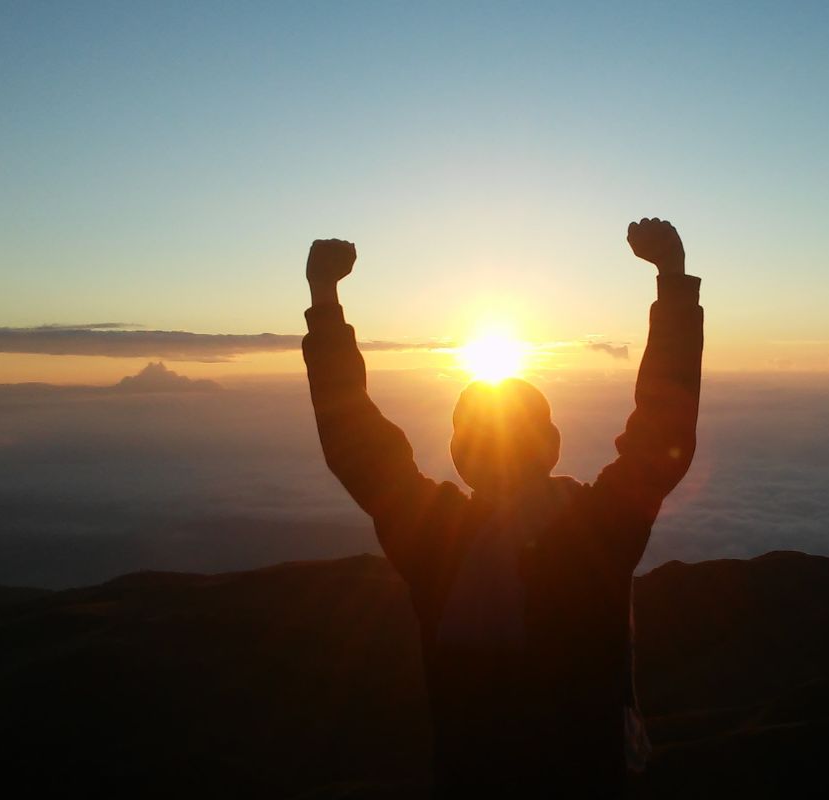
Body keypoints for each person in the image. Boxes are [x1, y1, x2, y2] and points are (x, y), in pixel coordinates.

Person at [301, 218, 703, 797]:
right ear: (552, 446)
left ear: (458, 455)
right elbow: (662, 433)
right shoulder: (596, 529)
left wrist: (325, 299)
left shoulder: (435, 537)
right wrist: (671, 280)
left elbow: (356, 443)